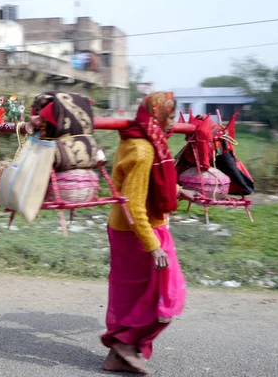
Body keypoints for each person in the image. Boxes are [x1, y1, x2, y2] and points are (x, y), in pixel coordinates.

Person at [101, 92, 195, 374]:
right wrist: (153, 246)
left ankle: (118, 355)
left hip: (136, 229)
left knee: (134, 295)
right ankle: (124, 345)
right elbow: (133, 204)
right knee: (167, 295)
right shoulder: (143, 151)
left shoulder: (142, 140)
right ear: (157, 116)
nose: (173, 125)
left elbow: (145, 185)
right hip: (139, 233)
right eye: (169, 118)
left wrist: (178, 190)